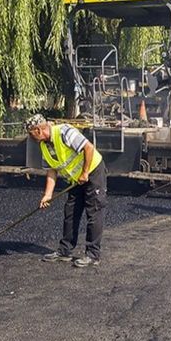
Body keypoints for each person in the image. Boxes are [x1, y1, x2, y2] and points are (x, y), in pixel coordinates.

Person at [26, 114, 107, 268]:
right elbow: (52, 171)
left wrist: (85, 173)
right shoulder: (44, 146)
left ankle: (93, 254)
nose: (29, 137)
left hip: (93, 171)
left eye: (30, 133)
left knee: (94, 211)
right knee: (70, 211)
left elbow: (88, 148)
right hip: (76, 179)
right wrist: (47, 195)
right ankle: (65, 251)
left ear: (38, 130)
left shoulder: (64, 132)